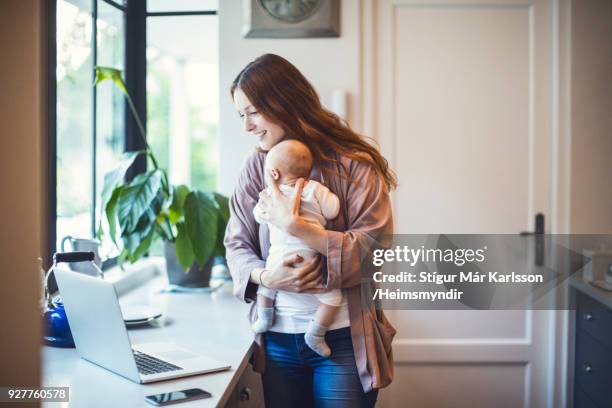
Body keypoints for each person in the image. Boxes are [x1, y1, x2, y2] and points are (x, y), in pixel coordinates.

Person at [224, 53, 397, 408]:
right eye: (242, 115)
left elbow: (374, 250)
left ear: (284, 102)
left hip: (344, 341)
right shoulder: (257, 166)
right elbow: (236, 244)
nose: (248, 126)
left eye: (254, 111)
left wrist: (296, 227)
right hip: (276, 339)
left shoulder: (353, 165)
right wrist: (268, 277)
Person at [252, 139, 343, 357]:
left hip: (279, 259)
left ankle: (264, 317)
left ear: (273, 173)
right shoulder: (315, 189)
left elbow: (258, 216)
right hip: (311, 258)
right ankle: (316, 333)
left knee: (267, 283)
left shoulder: (270, 195)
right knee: (333, 298)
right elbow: (333, 210)